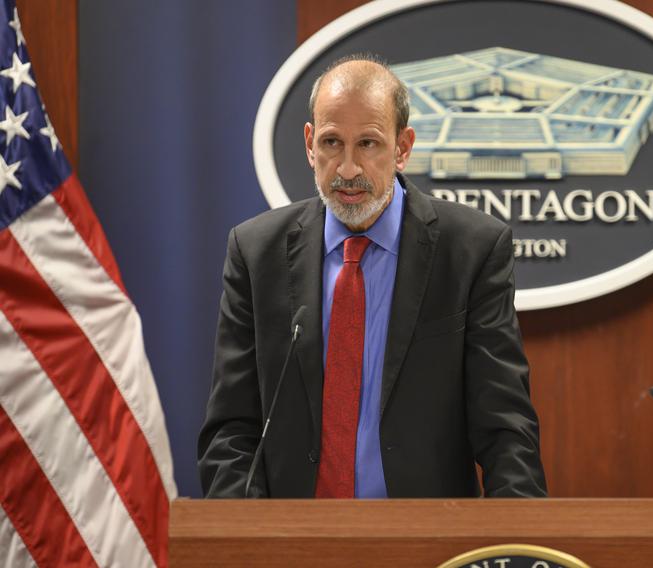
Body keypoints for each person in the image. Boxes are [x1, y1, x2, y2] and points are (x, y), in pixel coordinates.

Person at [198, 54, 547, 498]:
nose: (347, 170)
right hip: (292, 544)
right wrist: (246, 547)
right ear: (309, 144)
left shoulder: (471, 251)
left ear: (402, 147)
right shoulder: (255, 252)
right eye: (330, 143)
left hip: (426, 543)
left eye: (367, 143)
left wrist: (517, 549)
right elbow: (232, 429)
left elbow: (506, 429)